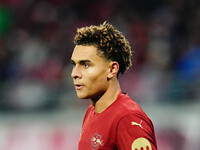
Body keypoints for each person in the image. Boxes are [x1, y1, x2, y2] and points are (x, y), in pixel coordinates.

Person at [71, 21, 157, 150]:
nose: (74, 73)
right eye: (74, 64)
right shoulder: (92, 111)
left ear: (112, 69)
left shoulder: (127, 119)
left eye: (86, 65)